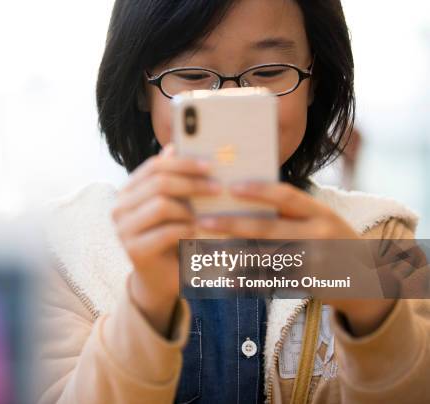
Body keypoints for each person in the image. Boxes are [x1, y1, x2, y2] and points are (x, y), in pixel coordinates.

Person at [38, 0, 430, 402]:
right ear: (141, 88)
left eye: (269, 72)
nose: (230, 101)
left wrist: (370, 306)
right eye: (191, 75)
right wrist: (147, 305)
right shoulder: (67, 249)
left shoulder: (382, 233)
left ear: (315, 78)